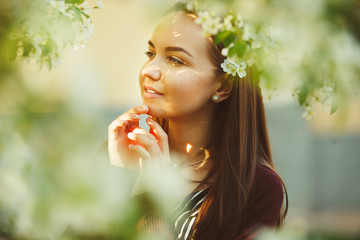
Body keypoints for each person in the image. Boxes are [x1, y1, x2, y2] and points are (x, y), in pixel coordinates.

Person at [108, 3, 288, 240]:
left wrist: (152, 197)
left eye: (175, 60)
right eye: (150, 54)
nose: (149, 70)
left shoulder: (255, 188)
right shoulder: (127, 150)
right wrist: (119, 175)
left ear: (224, 85)